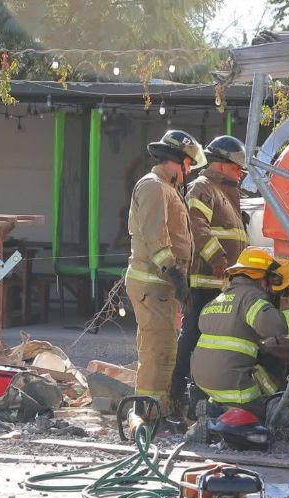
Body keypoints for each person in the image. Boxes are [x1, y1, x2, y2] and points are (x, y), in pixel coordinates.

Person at [125, 129, 206, 416]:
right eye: (188, 164)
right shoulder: (153, 187)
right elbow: (155, 236)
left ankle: (159, 409)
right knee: (155, 351)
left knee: (165, 350)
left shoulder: (166, 188)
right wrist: (173, 271)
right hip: (153, 282)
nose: (188, 172)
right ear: (177, 160)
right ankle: (147, 414)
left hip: (161, 285)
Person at [169, 135, 249, 413]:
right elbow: (196, 226)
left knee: (210, 342)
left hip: (223, 281)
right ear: (223, 164)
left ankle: (199, 399)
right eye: (238, 168)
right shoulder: (203, 187)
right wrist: (218, 258)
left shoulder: (227, 193)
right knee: (193, 335)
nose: (240, 174)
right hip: (206, 280)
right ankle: (176, 394)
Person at [190, 247, 289, 422]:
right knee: (267, 415)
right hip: (231, 381)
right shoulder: (251, 296)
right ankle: (230, 415)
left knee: (261, 362)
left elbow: (235, 337)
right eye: (269, 280)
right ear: (260, 278)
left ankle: (216, 410)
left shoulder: (217, 301)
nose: (270, 288)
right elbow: (270, 324)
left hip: (203, 379)